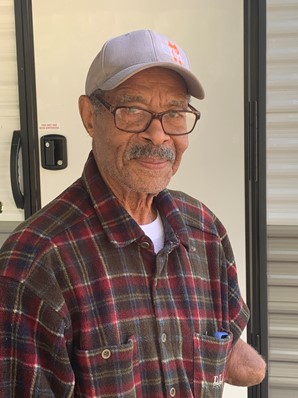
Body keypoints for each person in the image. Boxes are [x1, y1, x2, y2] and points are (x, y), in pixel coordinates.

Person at [0, 29, 265, 397]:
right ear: (89, 116)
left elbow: (225, 343)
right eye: (133, 110)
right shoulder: (33, 265)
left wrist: (252, 366)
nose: (158, 135)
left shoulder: (206, 232)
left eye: (174, 113)